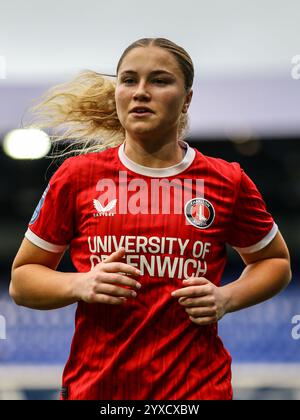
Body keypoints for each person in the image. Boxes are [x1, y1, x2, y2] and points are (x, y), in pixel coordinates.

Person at [9, 37, 292, 400]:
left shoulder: (226, 180)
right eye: (129, 80)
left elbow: (275, 261)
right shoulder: (77, 176)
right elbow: (22, 281)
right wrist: (79, 284)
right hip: (98, 393)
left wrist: (227, 297)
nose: (141, 92)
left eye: (159, 81)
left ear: (187, 97)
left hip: (197, 393)